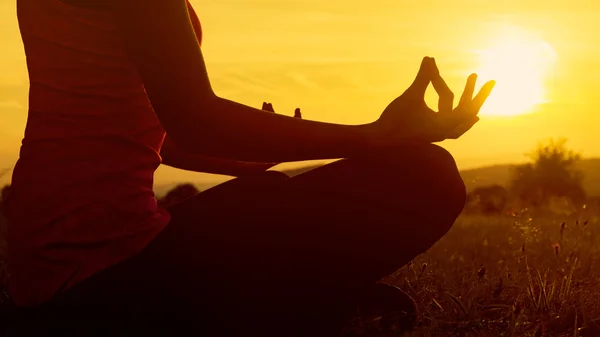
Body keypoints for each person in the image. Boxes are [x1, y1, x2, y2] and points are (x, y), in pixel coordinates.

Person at [5, 0, 495, 336]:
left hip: (50, 267)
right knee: (424, 175)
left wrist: (258, 159)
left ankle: (289, 306)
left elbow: (162, 135)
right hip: (102, 273)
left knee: (265, 193)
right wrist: (375, 134)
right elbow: (194, 119)